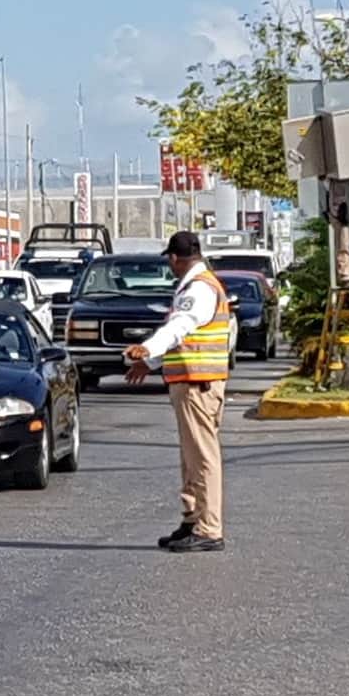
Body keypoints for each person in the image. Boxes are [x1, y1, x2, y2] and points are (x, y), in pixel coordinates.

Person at [123, 231, 231, 553]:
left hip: (199, 384)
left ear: (174, 258)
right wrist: (151, 362)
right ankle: (192, 519)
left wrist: (146, 348)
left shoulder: (199, 288)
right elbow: (184, 337)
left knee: (202, 457)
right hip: (190, 382)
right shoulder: (198, 285)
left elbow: (179, 327)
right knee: (190, 458)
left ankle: (209, 529)